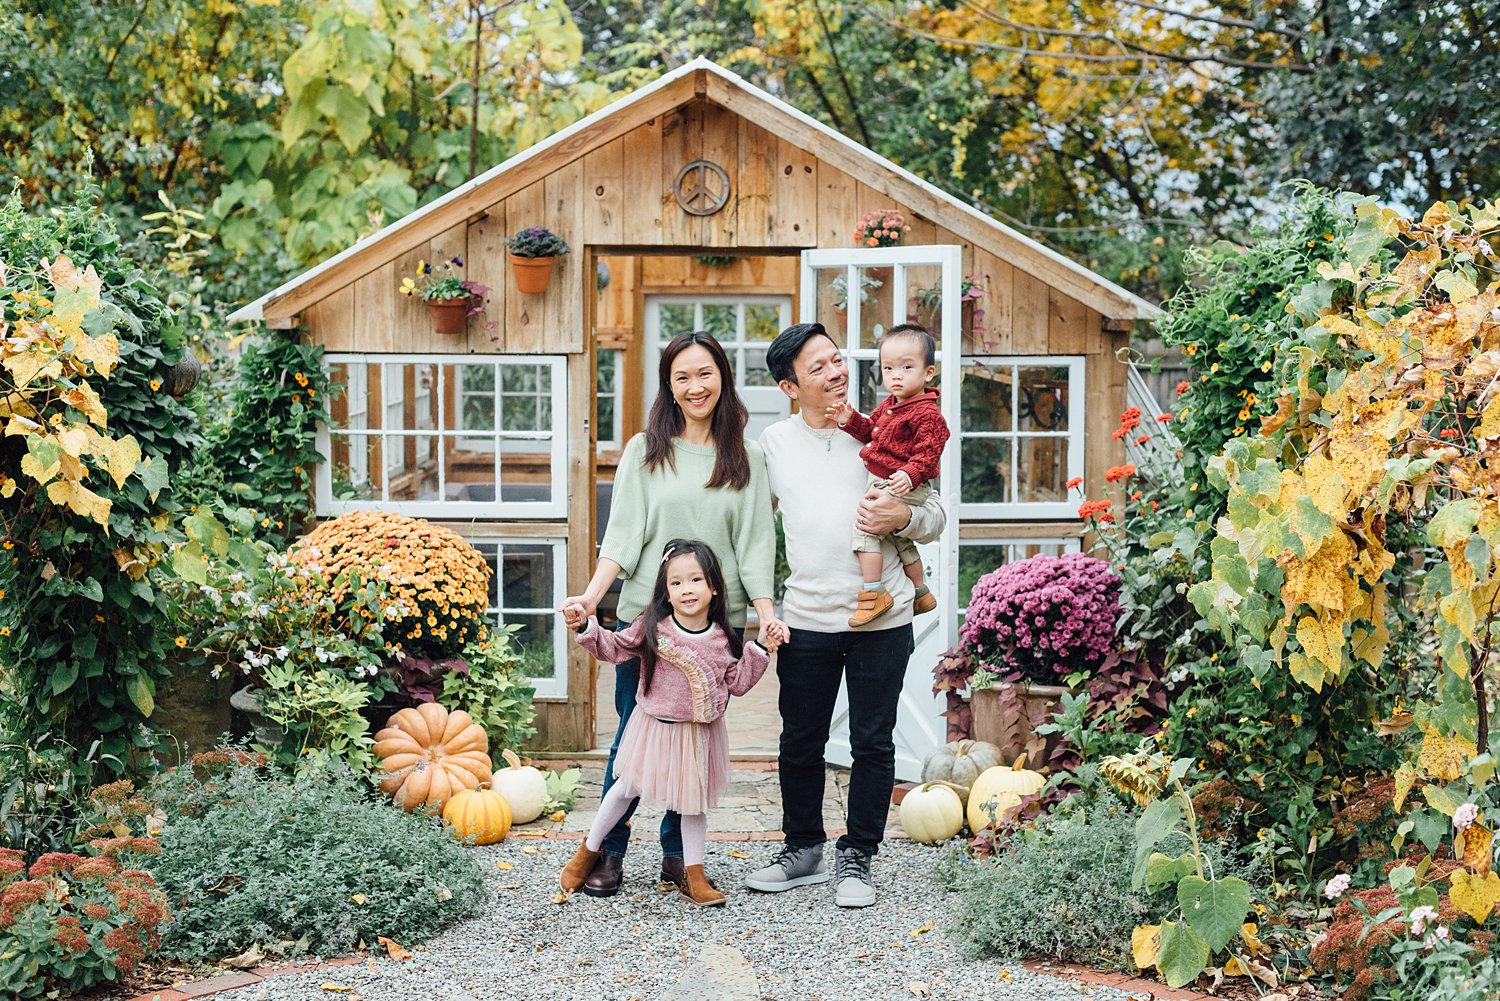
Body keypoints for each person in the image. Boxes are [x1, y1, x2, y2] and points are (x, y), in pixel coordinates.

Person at [560, 331, 786, 897]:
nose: (694, 387)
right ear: (669, 384)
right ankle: (607, 855)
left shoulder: (747, 456)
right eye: (682, 376)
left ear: (723, 378)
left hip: (715, 626)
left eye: (704, 374)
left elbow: (757, 545)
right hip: (648, 620)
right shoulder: (644, 450)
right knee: (632, 741)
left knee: (691, 736)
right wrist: (591, 599)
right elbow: (622, 536)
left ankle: (676, 857)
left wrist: (764, 616)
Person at [745, 322, 946, 908]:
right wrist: (760, 606)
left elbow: (933, 514)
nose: (835, 372)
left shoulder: (888, 427)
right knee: (800, 741)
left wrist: (901, 522)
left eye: (836, 359)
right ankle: (803, 848)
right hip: (806, 616)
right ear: (789, 386)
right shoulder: (774, 445)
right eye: (818, 367)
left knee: (872, 742)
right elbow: (757, 531)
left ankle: (857, 856)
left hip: (880, 619)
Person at [559, 540, 782, 906]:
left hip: (698, 734)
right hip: (654, 730)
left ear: (713, 587)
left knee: (693, 805)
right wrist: (586, 625)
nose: (686, 589)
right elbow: (613, 648)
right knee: (624, 788)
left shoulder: (722, 637)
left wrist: (761, 647)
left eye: (695, 580)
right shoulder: (653, 626)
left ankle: (694, 874)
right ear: (666, 589)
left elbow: (738, 684)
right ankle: (588, 852)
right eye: (676, 583)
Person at [826, 324, 950, 627]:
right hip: (891, 480)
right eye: (889, 368)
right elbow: (871, 433)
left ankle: (873, 593)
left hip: (902, 482)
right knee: (896, 538)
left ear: (928, 372)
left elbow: (929, 452)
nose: (896, 375)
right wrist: (850, 419)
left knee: (866, 527)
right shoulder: (891, 406)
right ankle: (921, 592)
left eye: (907, 367)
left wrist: (910, 474)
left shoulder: (927, 414)